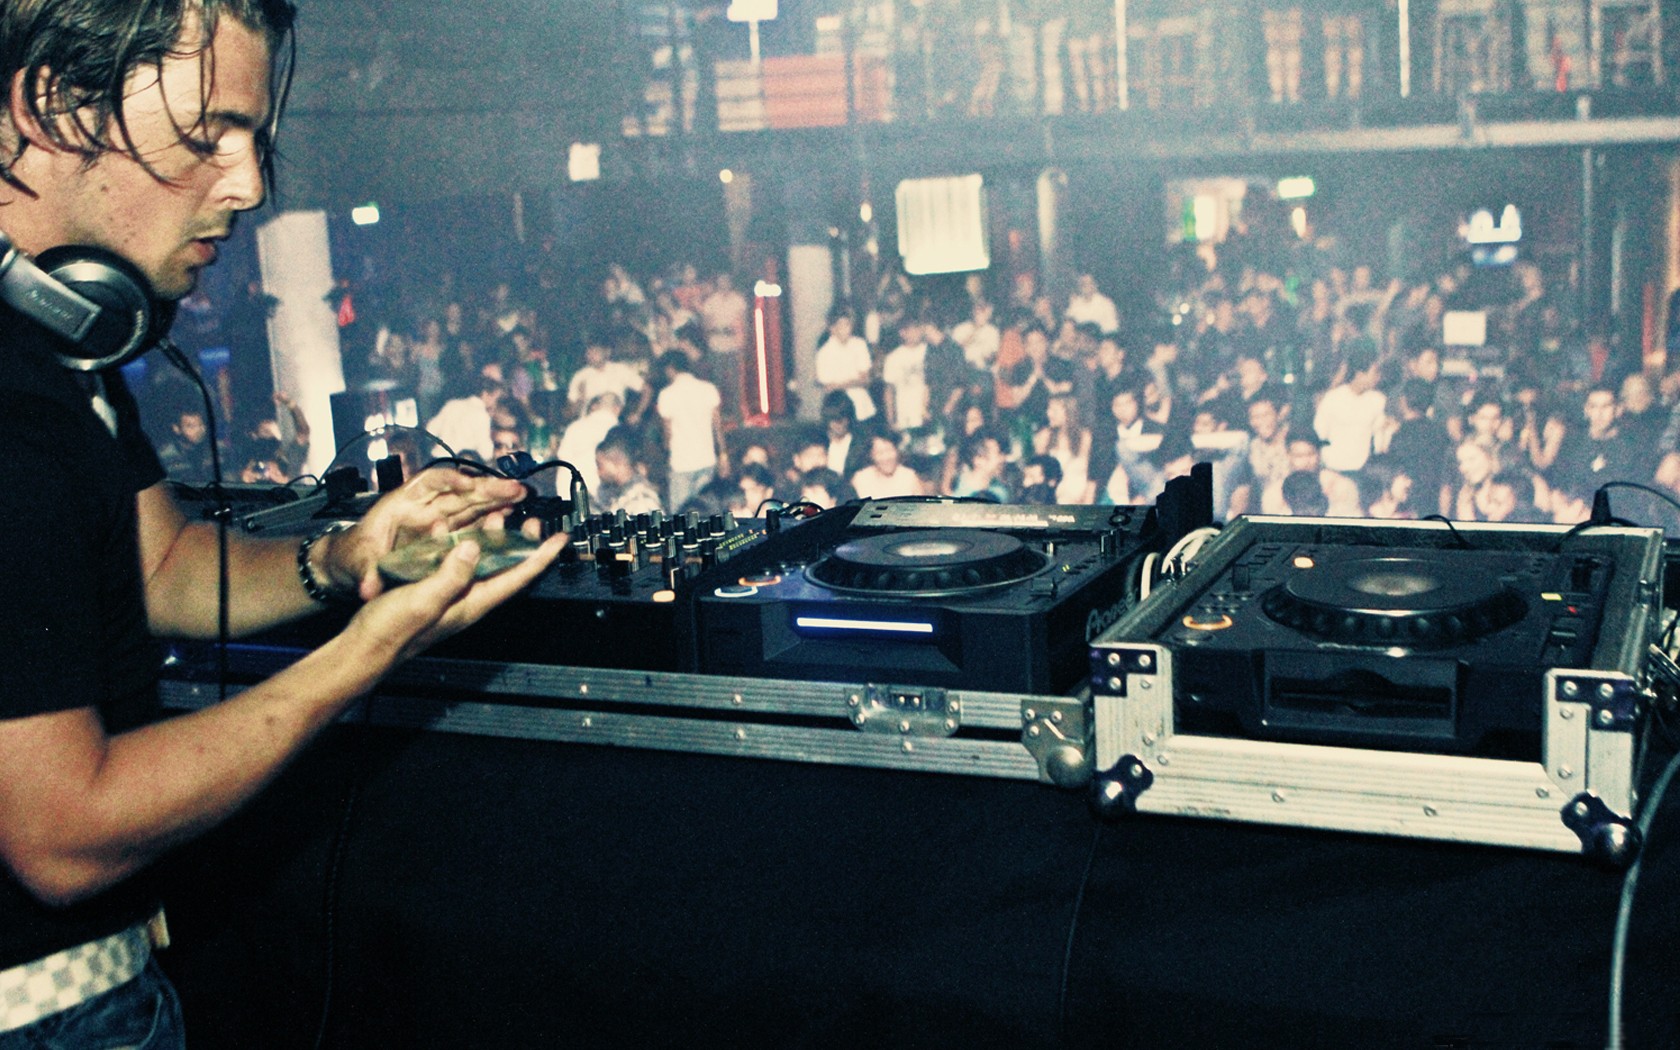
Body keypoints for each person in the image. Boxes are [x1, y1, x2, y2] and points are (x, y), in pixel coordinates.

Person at [0, 3, 565, 1044]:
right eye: (208, 132)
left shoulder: (58, 348)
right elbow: (63, 834)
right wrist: (367, 652)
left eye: (253, 140)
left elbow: (163, 566)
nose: (248, 184)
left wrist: (346, 556)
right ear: (50, 105)